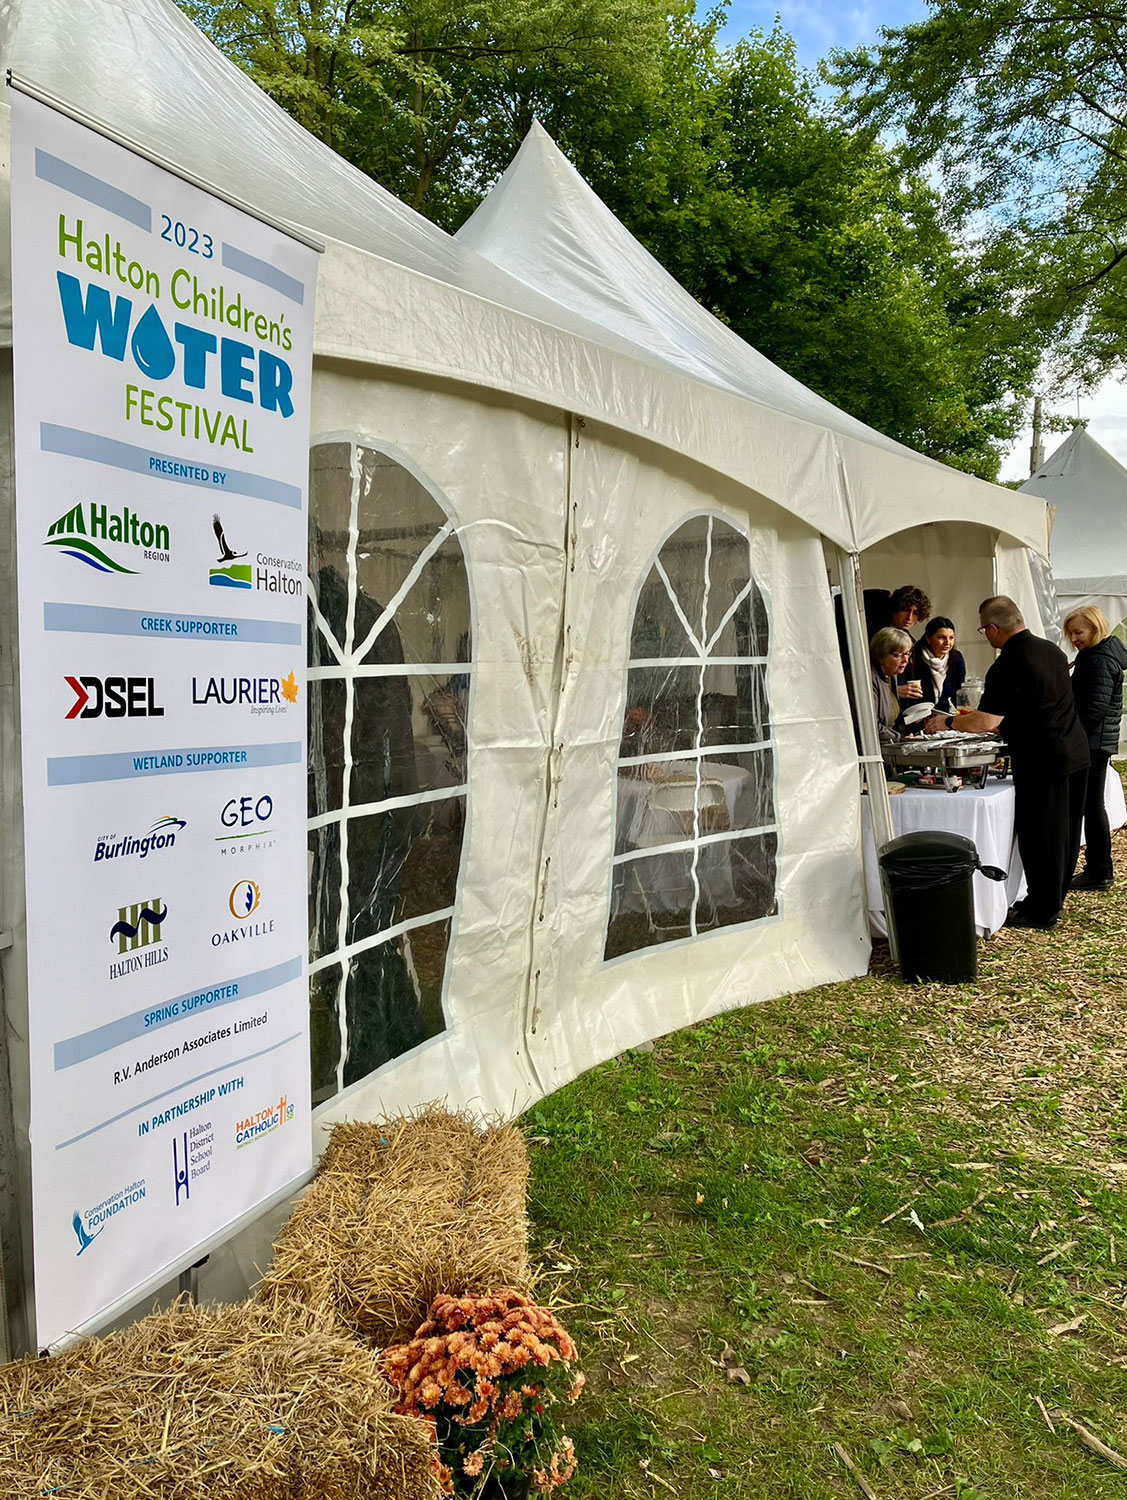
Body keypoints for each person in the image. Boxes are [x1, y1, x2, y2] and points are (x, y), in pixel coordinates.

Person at [925, 596, 1089, 931]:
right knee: (1067, 832)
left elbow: (985, 721)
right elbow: (1037, 703)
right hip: (1074, 749)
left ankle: (1041, 910)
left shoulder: (1009, 662)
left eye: (984, 630)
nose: (986, 636)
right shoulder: (1052, 651)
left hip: (1043, 758)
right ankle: (1051, 899)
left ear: (993, 628)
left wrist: (947, 723)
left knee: (1041, 835)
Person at [1065, 606, 1127, 891]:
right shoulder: (1095, 655)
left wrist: (1067, 732)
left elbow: (1094, 709)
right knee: (1092, 805)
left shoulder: (1100, 660)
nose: (1074, 638)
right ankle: (1097, 868)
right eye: (1071, 634)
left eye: (1079, 632)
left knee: (1090, 805)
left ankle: (1099, 870)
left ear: (1095, 628)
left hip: (1092, 742)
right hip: (1095, 740)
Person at [862, 627, 914, 743]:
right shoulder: (867, 678)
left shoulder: (890, 676)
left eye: (907, 654)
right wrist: (900, 739)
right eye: (897, 655)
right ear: (880, 656)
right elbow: (870, 726)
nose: (906, 660)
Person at [909, 616, 966, 714]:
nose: (947, 643)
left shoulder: (956, 658)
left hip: (941, 716)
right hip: (915, 717)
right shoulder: (913, 656)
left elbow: (958, 694)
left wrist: (965, 716)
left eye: (951, 638)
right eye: (941, 638)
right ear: (928, 638)